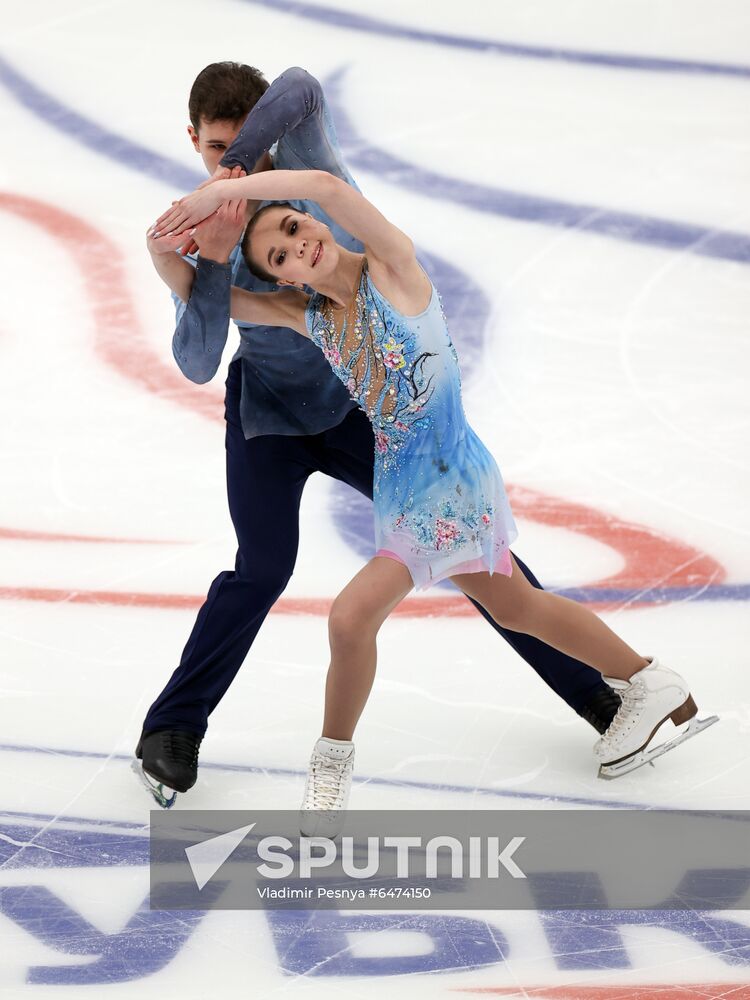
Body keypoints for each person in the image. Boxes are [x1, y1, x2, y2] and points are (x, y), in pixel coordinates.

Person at [155, 166, 707, 831]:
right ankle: (648, 679)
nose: (298, 246)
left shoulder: (390, 267)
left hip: (447, 482)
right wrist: (164, 250)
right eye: (279, 255)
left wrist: (221, 195)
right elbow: (205, 299)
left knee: (352, 619)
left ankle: (330, 770)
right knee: (520, 608)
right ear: (285, 280)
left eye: (295, 227)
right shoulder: (310, 316)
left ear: (313, 221)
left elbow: (332, 190)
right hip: (409, 486)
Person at [137, 62, 622, 808]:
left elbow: (299, 86)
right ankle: (171, 729)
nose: (237, 161)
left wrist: (234, 174)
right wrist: (195, 256)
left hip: (362, 409)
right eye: (217, 149)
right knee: (262, 568)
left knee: (470, 545)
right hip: (268, 419)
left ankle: (598, 696)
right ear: (191, 140)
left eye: (248, 147)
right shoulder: (206, 227)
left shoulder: (300, 179)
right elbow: (198, 360)